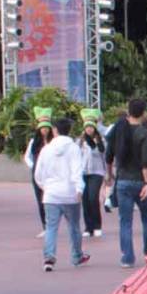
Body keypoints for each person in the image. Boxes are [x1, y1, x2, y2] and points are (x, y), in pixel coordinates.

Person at [104, 98, 147, 267]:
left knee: (125, 221)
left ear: (128, 111)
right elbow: (146, 162)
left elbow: (109, 155)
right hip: (141, 181)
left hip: (123, 181)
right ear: (143, 113)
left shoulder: (119, 130)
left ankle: (127, 257)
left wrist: (109, 174)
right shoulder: (145, 134)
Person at [34, 114, 90, 272]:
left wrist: (45, 187)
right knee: (74, 227)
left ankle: (49, 257)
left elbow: (39, 173)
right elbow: (77, 170)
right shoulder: (73, 148)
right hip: (70, 193)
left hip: (51, 194)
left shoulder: (47, 149)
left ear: (55, 130)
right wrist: (79, 188)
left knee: (51, 227)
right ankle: (77, 255)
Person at [78, 124, 107, 238]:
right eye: (87, 127)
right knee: (85, 199)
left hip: (97, 172)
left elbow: (103, 154)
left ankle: (97, 226)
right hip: (84, 173)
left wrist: (108, 173)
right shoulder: (80, 141)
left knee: (93, 197)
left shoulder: (101, 140)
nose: (89, 129)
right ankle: (88, 227)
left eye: (91, 127)